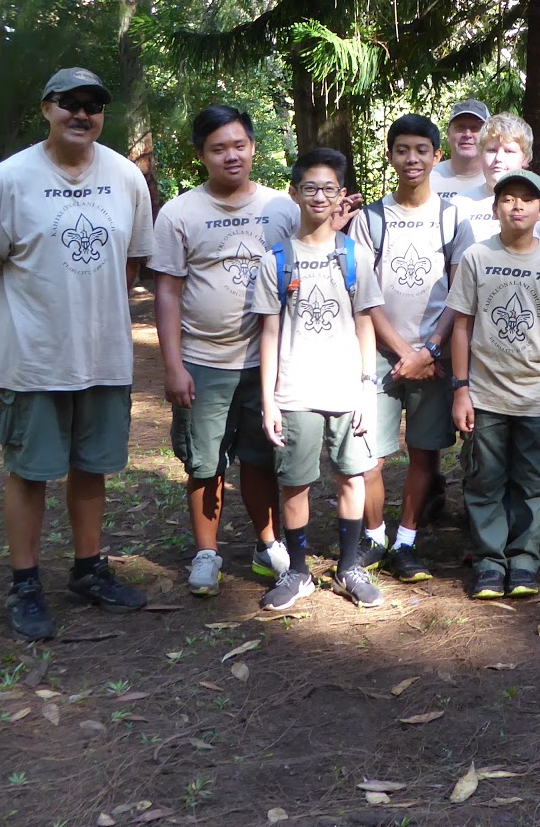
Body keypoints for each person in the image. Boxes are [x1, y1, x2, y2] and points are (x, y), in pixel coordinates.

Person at [0, 67, 154, 641]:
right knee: (30, 471)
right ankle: (24, 584)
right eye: (68, 103)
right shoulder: (12, 178)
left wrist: (92, 315)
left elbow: (133, 260)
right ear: (46, 109)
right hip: (33, 359)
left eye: (93, 104)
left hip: (103, 356)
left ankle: (88, 570)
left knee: (91, 466)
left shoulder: (125, 177)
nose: (81, 113)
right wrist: (21, 322)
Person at [152, 106, 302, 597]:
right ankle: (206, 553)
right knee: (205, 461)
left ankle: (267, 545)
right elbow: (168, 291)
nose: (231, 155)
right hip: (203, 360)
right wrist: (173, 364)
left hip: (267, 362)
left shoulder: (283, 208)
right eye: (218, 148)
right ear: (201, 156)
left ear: (254, 147)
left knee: (261, 458)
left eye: (239, 144)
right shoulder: (179, 213)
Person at [250, 148, 386, 609]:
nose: (320, 196)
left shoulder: (355, 256)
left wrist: (368, 388)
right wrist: (269, 400)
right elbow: (269, 332)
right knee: (296, 483)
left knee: (352, 477)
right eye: (310, 187)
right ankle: (299, 572)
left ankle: (349, 568)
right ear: (294, 193)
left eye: (330, 188)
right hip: (295, 389)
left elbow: (366, 323)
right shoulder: (276, 260)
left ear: (341, 195)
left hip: (347, 388)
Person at [446, 170, 540, 599]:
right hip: (485, 393)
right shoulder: (476, 257)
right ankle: (489, 561)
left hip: (535, 394)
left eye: (527, 199)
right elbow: (462, 326)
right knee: (484, 479)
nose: (517, 206)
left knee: (534, 481)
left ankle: (523, 560)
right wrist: (461, 389)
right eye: (507, 198)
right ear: (495, 208)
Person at [353, 114, 473, 582]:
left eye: (422, 150)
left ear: (436, 156)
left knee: (425, 452)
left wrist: (430, 350)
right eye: (402, 150)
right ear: (390, 156)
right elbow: (366, 296)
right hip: (382, 356)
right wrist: (406, 352)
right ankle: (374, 536)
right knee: (370, 455)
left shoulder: (453, 216)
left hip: (436, 358)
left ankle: (406, 541)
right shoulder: (371, 218)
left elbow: (461, 294)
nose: (412, 159)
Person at [453, 113, 540, 281]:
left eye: (509, 151)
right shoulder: (459, 205)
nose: (498, 159)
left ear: (525, 158)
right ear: (480, 154)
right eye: (491, 150)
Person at [430, 98, 488, 206]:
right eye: (460, 128)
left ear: (487, 135)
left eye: (475, 128)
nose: (467, 134)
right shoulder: (428, 177)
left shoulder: (496, 178)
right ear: (448, 134)